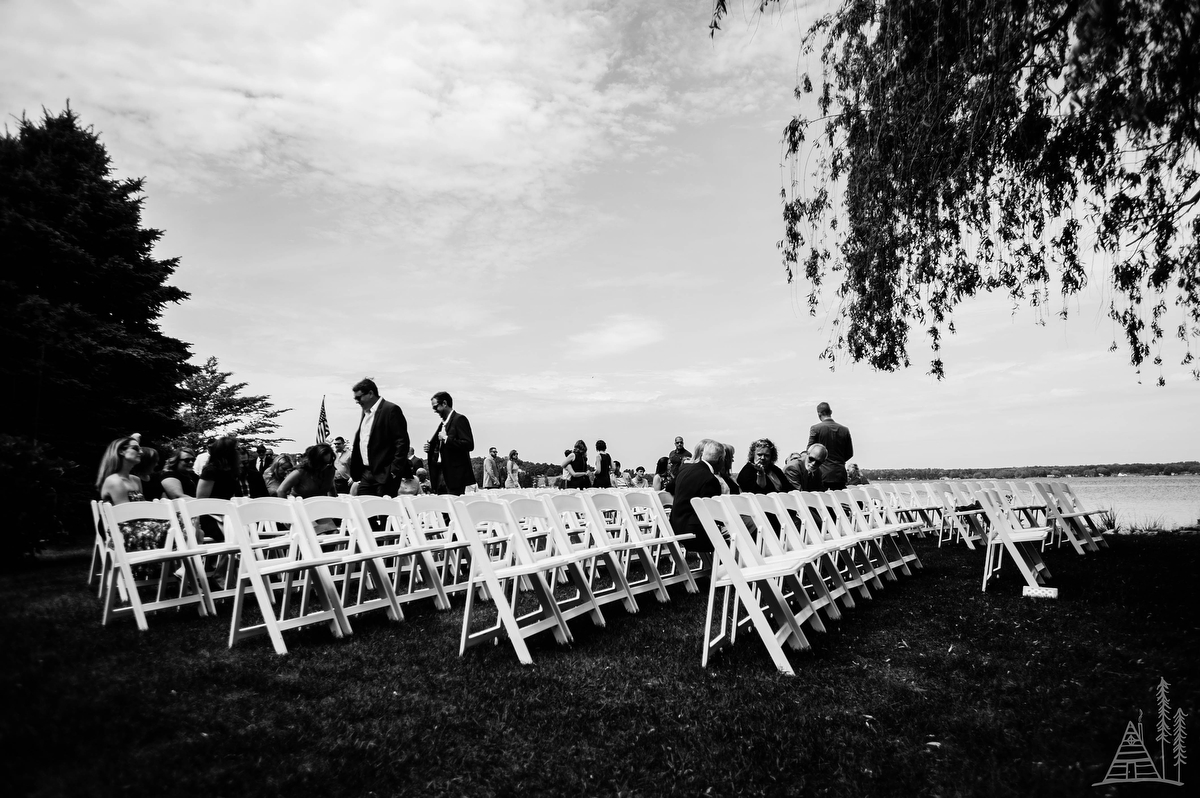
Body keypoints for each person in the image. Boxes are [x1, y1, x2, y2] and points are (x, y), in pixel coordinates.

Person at [96, 437, 169, 560]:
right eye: (136, 448)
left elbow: (143, 508)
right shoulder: (114, 481)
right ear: (121, 451)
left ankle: (180, 569)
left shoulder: (135, 480)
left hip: (142, 524)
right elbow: (126, 516)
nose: (140, 452)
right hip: (125, 530)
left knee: (185, 522)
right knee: (175, 527)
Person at [350, 377, 414, 496]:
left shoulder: (391, 410)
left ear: (370, 393)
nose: (357, 401)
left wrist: (394, 470)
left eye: (359, 397)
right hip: (365, 473)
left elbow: (402, 442)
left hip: (385, 474)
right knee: (364, 510)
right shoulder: (365, 412)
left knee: (384, 512)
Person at [668, 440, 725, 564]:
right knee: (737, 532)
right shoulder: (710, 479)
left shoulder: (684, 470)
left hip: (675, 526)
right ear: (720, 459)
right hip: (695, 532)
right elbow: (711, 513)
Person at [425, 391, 475, 495]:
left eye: (435, 407)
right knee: (442, 508)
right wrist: (431, 448)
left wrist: (447, 439)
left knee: (452, 508)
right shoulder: (443, 423)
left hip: (455, 477)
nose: (435, 411)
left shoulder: (459, 419)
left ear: (444, 403)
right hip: (441, 474)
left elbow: (469, 444)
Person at [808, 401, 854, 491]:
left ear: (819, 413)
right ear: (831, 412)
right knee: (839, 503)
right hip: (839, 474)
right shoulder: (844, 430)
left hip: (821, 473)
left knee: (821, 502)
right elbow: (850, 453)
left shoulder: (816, 428)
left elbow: (809, 451)